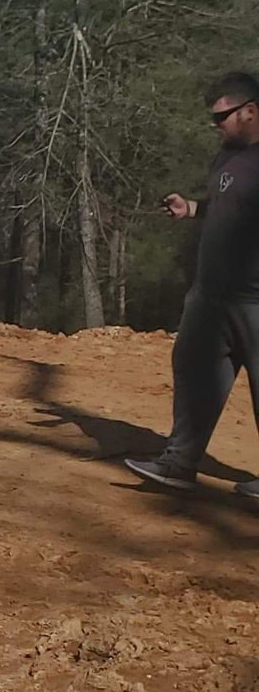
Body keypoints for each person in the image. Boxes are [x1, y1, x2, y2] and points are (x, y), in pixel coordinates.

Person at [126, 69, 259, 499]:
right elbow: (229, 207)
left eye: (223, 117)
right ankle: (179, 462)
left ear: (251, 111)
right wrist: (193, 209)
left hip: (256, 297)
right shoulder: (228, 156)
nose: (216, 126)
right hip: (212, 295)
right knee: (193, 372)